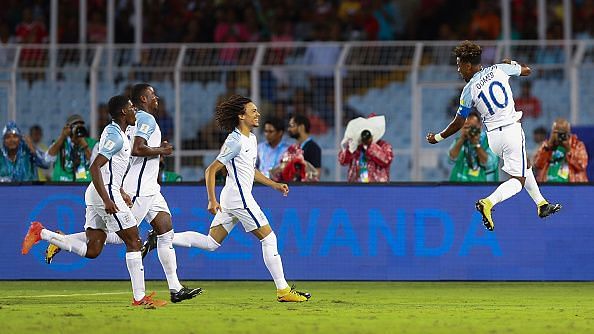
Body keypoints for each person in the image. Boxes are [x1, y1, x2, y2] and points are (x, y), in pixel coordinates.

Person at [144, 95, 311, 302]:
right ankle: (283, 290)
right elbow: (211, 170)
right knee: (269, 238)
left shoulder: (251, 138)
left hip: (233, 197)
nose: (258, 114)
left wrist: (274, 184)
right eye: (253, 111)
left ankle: (163, 238)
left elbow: (251, 170)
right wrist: (211, 200)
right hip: (239, 198)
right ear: (242, 116)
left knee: (211, 242)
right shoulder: (234, 140)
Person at [44, 84, 201, 304]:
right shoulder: (145, 119)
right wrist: (162, 151)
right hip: (138, 188)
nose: (157, 98)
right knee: (124, 238)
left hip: (150, 188)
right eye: (152, 95)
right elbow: (138, 148)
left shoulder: (130, 122)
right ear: (143, 99)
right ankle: (61, 239)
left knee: (165, 231)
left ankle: (175, 288)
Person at [21, 95, 167, 307]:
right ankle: (140, 298)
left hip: (102, 192)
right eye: (131, 108)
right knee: (134, 241)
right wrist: (108, 199)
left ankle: (42, 233)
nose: (135, 111)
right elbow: (95, 167)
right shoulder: (116, 136)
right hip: (103, 194)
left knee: (93, 250)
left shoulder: (118, 132)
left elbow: (111, 170)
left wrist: (121, 190)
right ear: (123, 112)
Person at [426, 40, 561, 231]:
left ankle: (541, 204)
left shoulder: (468, 90)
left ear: (467, 65)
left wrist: (437, 137)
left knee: (525, 164)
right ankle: (488, 202)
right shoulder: (500, 69)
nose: (458, 70)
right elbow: (527, 71)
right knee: (518, 182)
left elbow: (459, 122)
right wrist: (512, 64)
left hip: (493, 138)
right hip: (511, 131)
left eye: (459, 66)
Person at [338, 115, 394, 183]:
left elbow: (386, 160)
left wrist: (370, 146)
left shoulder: (384, 145)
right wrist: (349, 150)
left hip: (377, 187)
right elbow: (342, 161)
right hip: (356, 187)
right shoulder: (355, 146)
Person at [533, 118, 588, 183]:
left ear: (569, 132)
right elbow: (537, 165)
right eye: (557, 132)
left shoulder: (577, 145)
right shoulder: (546, 146)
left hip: (571, 187)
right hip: (547, 186)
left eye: (563, 133)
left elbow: (582, 165)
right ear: (552, 132)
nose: (560, 136)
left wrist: (568, 150)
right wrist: (548, 147)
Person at [448, 112, 499, 182]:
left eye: (472, 127)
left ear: (480, 126)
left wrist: (476, 144)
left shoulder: (491, 141)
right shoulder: (458, 141)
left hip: (483, 188)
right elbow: (451, 159)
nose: (469, 130)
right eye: (466, 127)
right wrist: (462, 138)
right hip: (458, 186)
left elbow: (490, 164)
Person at [47, 114, 98, 182]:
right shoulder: (61, 142)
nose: (78, 127)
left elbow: (96, 163)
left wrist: (84, 145)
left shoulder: (92, 143)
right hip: (61, 185)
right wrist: (62, 136)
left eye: (81, 125)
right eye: (75, 125)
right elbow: (49, 157)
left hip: (84, 185)